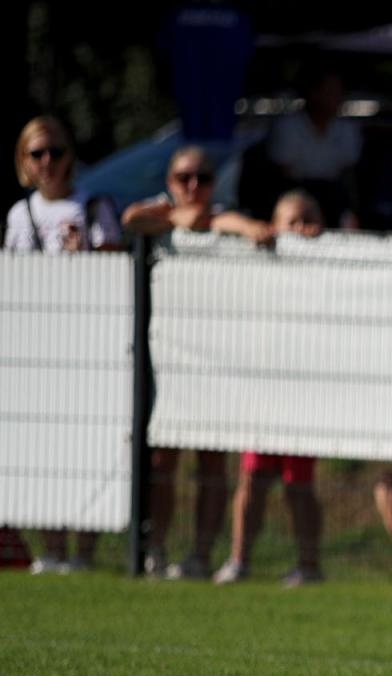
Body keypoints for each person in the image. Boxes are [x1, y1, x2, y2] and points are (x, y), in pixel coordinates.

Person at [123, 145, 262, 579]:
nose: (193, 186)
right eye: (184, 178)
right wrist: (178, 217)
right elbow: (131, 218)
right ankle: (156, 549)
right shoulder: (157, 213)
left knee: (211, 460)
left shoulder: (220, 216)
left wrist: (206, 220)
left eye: (202, 177)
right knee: (164, 459)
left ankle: (201, 554)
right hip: (167, 354)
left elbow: (236, 224)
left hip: (216, 355)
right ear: (169, 182)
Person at [6, 116, 123, 574]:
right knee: (48, 449)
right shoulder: (21, 215)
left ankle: (85, 551)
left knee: (87, 448)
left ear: (71, 157)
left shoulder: (93, 206)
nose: (48, 162)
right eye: (38, 154)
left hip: (89, 348)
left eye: (56, 152)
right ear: (24, 162)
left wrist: (85, 261)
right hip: (41, 352)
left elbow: (117, 275)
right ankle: (52, 548)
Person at [212, 191, 327, 587]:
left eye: (306, 220)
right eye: (290, 221)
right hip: (264, 386)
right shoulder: (258, 259)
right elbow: (213, 221)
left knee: (299, 484)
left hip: (304, 389)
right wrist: (249, 229)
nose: (297, 230)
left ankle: (309, 566)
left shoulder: (326, 267)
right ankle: (239, 560)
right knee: (253, 478)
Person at [265, 62, 362, 229]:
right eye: (330, 92)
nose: (337, 98)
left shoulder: (347, 129)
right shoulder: (288, 126)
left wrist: (350, 211)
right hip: (293, 192)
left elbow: (347, 173)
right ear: (313, 93)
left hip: (333, 194)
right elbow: (283, 171)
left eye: (339, 92)